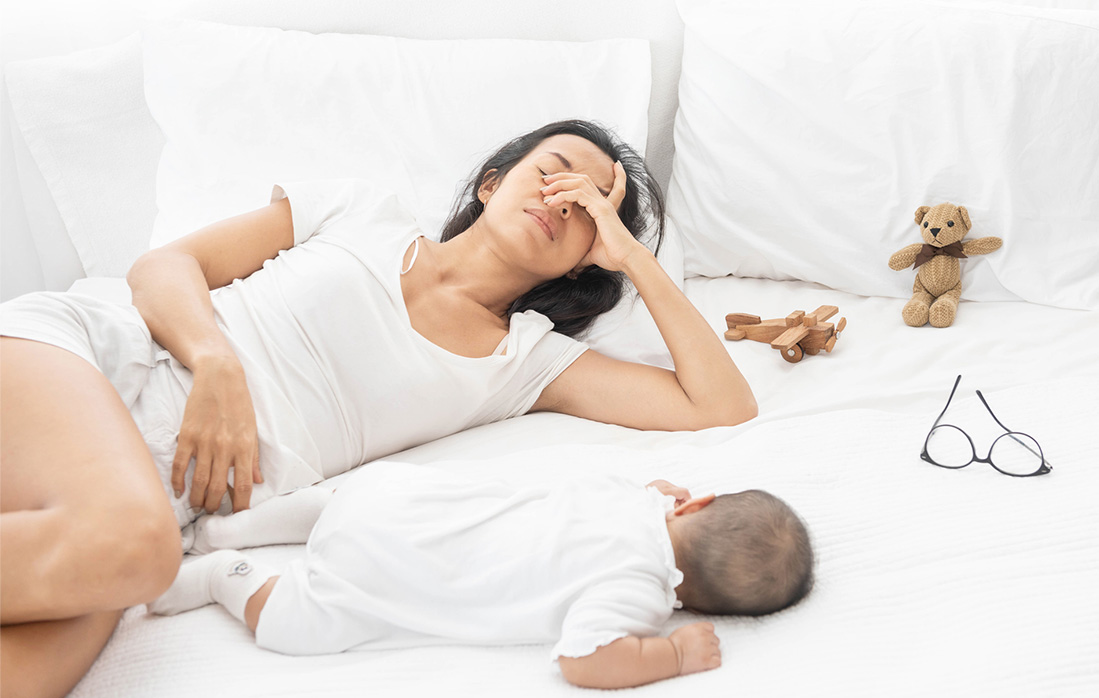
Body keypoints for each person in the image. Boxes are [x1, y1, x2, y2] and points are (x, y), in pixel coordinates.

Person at [0, 119, 757, 697]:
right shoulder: (363, 212)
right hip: (101, 365)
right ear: (492, 183)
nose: (561, 201)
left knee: (35, 669)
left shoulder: (525, 362)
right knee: (138, 554)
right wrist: (215, 359)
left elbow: (719, 406)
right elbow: (165, 265)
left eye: (588, 207)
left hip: (157, 500)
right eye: (550, 173)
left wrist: (630, 254)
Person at [148, 466, 814, 689]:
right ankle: (220, 575)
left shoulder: (641, 501)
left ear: (692, 505)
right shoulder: (641, 592)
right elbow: (582, 659)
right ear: (703, 603)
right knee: (289, 624)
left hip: (384, 499)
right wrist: (666, 654)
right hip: (379, 573)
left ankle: (231, 527)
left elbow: (645, 492)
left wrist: (663, 497)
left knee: (337, 503)